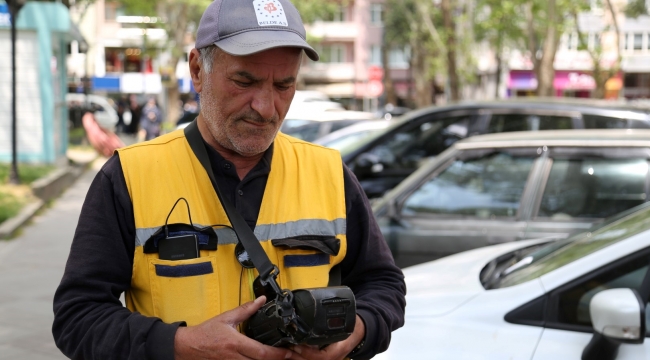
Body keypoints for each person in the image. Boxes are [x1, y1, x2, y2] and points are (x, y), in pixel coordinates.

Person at [52, 0, 406, 359]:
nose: (266, 107)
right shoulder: (128, 176)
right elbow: (77, 316)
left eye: (284, 85)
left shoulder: (330, 173)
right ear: (197, 70)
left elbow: (384, 285)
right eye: (244, 81)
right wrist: (178, 346)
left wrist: (356, 332)